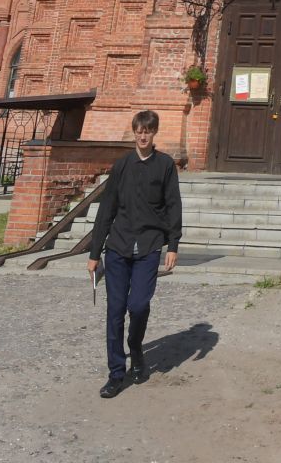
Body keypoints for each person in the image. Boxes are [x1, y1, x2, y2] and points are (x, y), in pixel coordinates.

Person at [85, 109, 181, 397]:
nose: (143, 135)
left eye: (148, 130)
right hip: (118, 246)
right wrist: (94, 252)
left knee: (138, 305)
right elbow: (106, 209)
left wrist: (173, 244)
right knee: (115, 310)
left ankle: (135, 347)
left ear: (154, 133)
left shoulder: (164, 165)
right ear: (134, 131)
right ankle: (116, 372)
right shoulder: (122, 166)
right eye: (139, 130)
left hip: (149, 246)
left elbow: (173, 204)